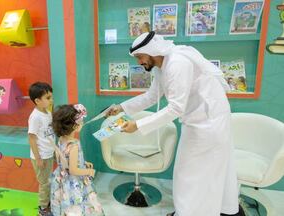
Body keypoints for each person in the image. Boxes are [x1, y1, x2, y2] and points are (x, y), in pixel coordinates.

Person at [107, 31, 242, 216]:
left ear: (151, 50)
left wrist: (137, 126)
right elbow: (152, 96)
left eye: (139, 57)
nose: (139, 62)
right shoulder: (160, 66)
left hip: (209, 121)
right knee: (196, 172)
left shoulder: (178, 63)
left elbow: (176, 108)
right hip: (195, 120)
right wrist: (121, 108)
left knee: (189, 174)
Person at [50, 104, 104, 216]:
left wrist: (83, 163)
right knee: (79, 203)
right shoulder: (74, 145)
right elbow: (74, 170)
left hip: (61, 177)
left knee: (65, 204)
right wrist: (89, 171)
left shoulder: (60, 139)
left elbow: (64, 159)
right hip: (73, 181)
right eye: (81, 121)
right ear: (74, 126)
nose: (82, 123)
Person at [28, 82, 55, 216]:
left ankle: (48, 203)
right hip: (41, 156)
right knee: (44, 183)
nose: (51, 100)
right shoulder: (35, 117)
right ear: (37, 101)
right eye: (48, 98)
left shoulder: (47, 112)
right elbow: (32, 138)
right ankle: (43, 209)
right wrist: (38, 158)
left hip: (49, 153)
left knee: (49, 180)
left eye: (51, 97)